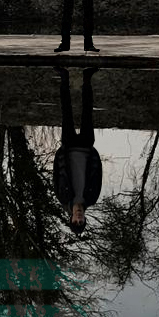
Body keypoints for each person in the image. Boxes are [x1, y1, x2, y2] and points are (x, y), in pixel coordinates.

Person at [53, 66, 103, 234]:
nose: (79, 218)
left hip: (68, 147)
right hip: (86, 147)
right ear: (85, 219)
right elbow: (98, 174)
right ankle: (87, 77)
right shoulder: (92, 197)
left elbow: (56, 174)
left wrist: (60, 153)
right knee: (87, 111)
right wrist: (94, 153)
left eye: (76, 221)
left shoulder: (63, 197)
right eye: (81, 221)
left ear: (71, 218)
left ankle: (64, 77)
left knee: (66, 111)